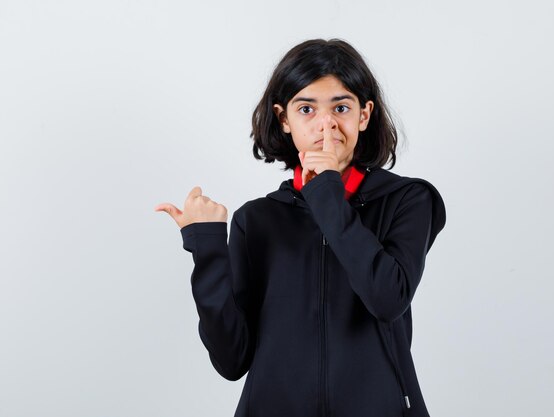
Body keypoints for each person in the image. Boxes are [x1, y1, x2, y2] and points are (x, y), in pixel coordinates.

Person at [154, 38, 446, 417]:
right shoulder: (256, 220)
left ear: (364, 115)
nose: (326, 124)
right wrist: (208, 248)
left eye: (341, 107)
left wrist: (326, 188)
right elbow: (231, 360)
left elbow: (387, 297)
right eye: (306, 108)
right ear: (284, 119)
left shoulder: (408, 200)